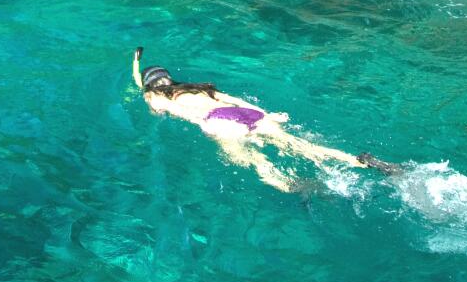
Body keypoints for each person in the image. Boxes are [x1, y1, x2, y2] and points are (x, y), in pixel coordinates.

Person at [132, 48, 400, 192]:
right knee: (303, 146)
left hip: (219, 121)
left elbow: (150, 102)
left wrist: (139, 78)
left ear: (150, 84)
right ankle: (362, 162)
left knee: (251, 160)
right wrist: (269, 115)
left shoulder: (156, 98)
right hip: (250, 114)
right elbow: (237, 100)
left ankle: (290, 187)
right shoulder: (198, 88)